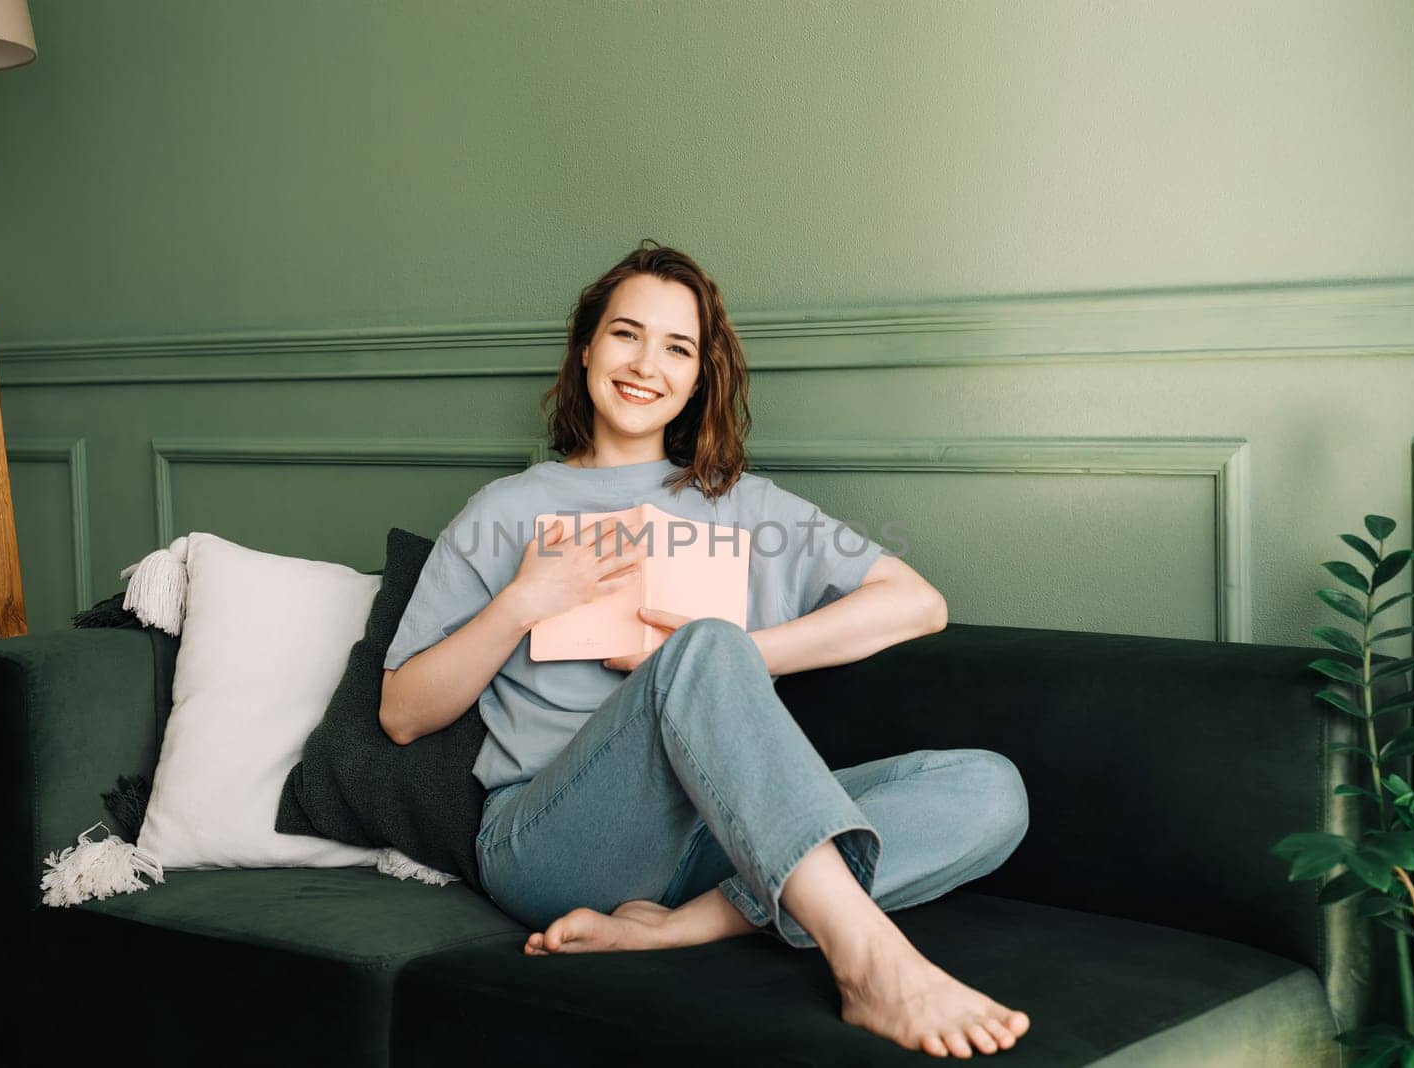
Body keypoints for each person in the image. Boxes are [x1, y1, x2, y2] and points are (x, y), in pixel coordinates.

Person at [379, 240, 1031, 1059]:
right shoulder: (506, 510)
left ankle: (688, 927)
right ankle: (870, 964)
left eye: (677, 347)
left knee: (990, 791)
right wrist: (523, 602)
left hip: (717, 840)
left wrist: (743, 652)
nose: (646, 363)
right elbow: (402, 713)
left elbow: (917, 604)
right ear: (587, 348)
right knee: (700, 651)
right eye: (625, 334)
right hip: (550, 840)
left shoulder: (746, 507)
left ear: (698, 377)